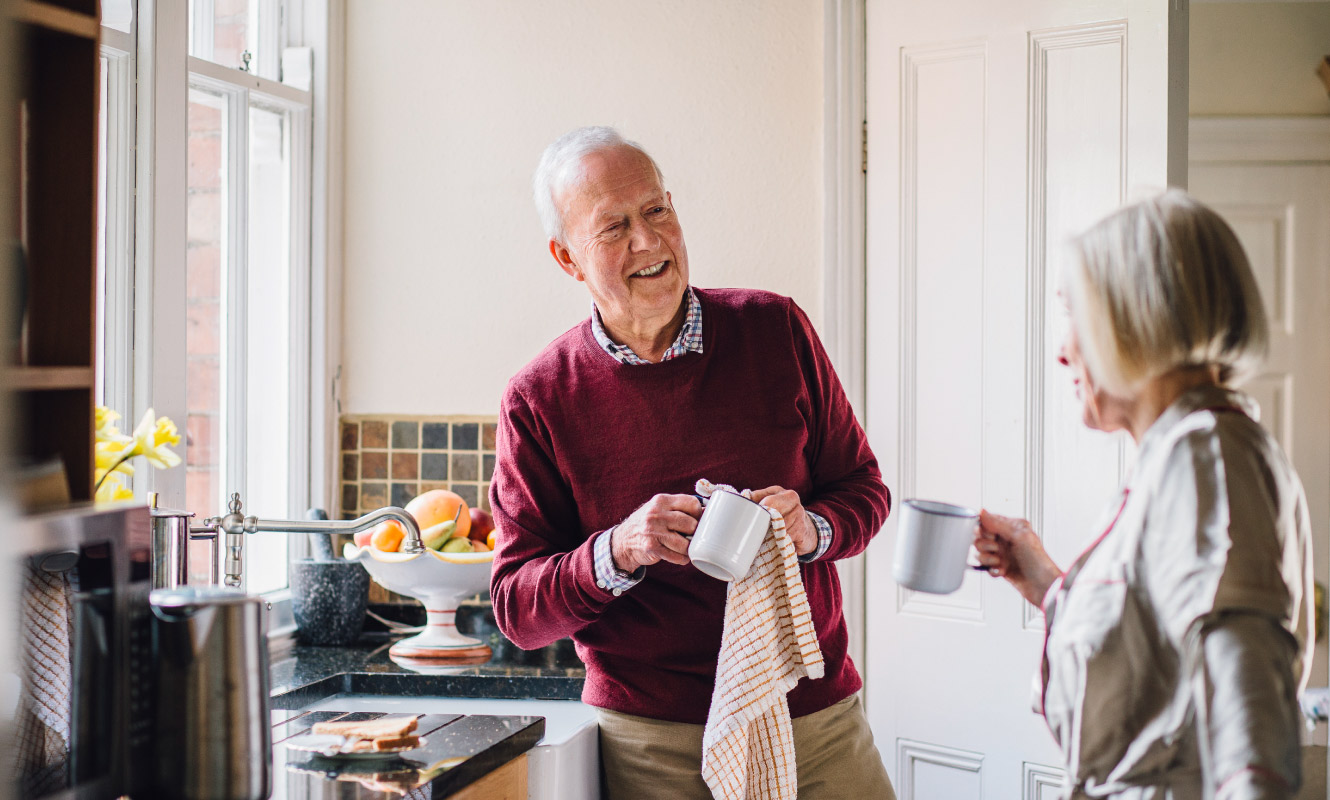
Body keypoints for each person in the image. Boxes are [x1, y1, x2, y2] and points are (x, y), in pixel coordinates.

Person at [489, 126, 896, 799]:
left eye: (656, 211)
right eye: (613, 227)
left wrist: (811, 530)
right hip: (652, 742)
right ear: (568, 258)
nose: (646, 241)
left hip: (814, 718)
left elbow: (863, 490)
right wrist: (617, 551)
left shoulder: (776, 330)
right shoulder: (539, 398)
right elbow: (517, 609)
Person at [975, 190, 1313, 799]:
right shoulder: (1181, 455)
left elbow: (1246, 702)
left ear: (1135, 317)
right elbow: (1157, 663)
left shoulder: (1205, 456)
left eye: (1074, 314)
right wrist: (1048, 585)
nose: (1062, 350)